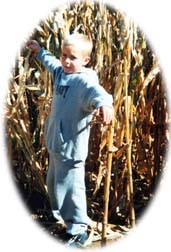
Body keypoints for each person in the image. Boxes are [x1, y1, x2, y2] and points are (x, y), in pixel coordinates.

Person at [27, 33, 113, 248]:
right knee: (54, 185)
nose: (66, 60)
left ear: (85, 60)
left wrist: (105, 104)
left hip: (72, 149)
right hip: (56, 144)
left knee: (71, 190)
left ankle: (78, 230)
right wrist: (39, 51)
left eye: (72, 57)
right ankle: (62, 219)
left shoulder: (84, 80)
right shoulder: (60, 72)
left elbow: (98, 92)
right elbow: (52, 63)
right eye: (64, 55)